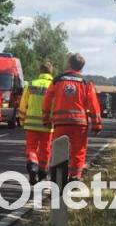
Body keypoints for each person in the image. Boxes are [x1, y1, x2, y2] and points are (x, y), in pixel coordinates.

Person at [42, 53, 102, 182]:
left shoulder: (57, 80)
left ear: (69, 64)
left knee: (58, 150)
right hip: (79, 123)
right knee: (78, 151)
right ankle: (74, 177)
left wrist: (46, 118)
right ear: (81, 67)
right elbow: (93, 105)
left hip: (60, 123)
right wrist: (97, 124)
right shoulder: (86, 83)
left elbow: (47, 100)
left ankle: (58, 179)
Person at [18, 61, 54, 184]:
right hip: (47, 123)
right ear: (51, 72)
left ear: (40, 71)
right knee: (45, 149)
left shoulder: (31, 84)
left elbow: (23, 103)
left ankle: (33, 165)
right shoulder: (54, 85)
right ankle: (43, 172)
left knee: (31, 147)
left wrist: (22, 119)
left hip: (31, 122)